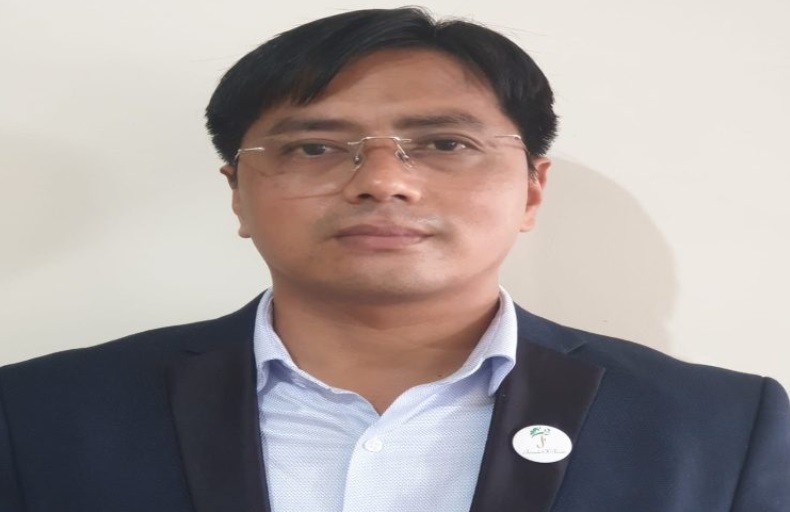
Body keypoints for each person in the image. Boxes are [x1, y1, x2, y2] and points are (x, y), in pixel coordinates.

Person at [1, 7, 787, 512]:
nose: (383, 181)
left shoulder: (718, 428)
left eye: (445, 143)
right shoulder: (38, 415)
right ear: (237, 192)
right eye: (315, 147)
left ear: (531, 190)